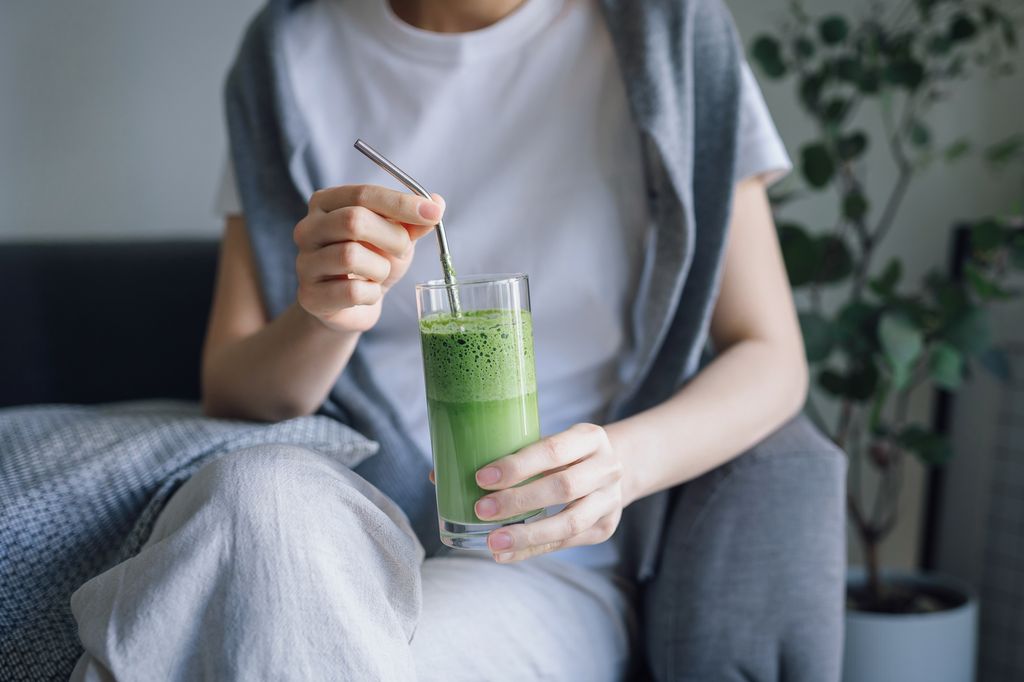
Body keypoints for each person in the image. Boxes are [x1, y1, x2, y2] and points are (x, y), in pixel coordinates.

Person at [70, 0, 846, 679]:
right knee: (256, 491)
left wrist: (620, 466)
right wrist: (327, 314)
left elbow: (770, 355)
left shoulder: (671, 35)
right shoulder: (282, 55)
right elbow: (233, 393)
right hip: (337, 526)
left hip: (535, 565)